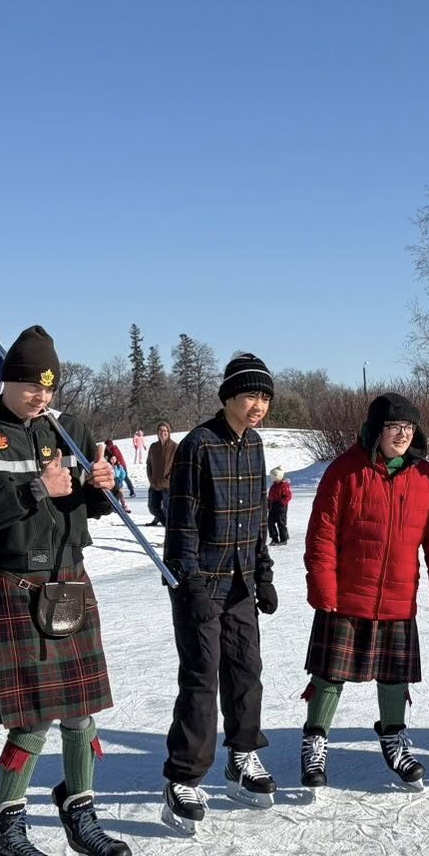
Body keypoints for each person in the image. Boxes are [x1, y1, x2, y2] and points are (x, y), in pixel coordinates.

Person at [0, 325, 131, 856]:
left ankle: (81, 814)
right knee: (33, 720)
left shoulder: (67, 431)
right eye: (30, 383)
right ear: (8, 380)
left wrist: (100, 487)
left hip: (68, 580)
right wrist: (32, 490)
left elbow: (85, 505)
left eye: (49, 385)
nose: (41, 395)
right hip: (15, 586)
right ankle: (6, 827)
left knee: (81, 713)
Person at [301, 394, 429, 791]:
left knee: (394, 675)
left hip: (399, 597)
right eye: (393, 427)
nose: (402, 435)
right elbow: (322, 534)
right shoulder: (345, 471)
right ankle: (315, 741)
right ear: (376, 430)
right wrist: (322, 585)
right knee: (330, 674)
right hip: (348, 593)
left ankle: (393, 739)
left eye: (408, 428)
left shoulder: (425, 477)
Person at [162, 355, 278, 829]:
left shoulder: (254, 447)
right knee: (201, 677)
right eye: (251, 395)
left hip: (240, 582)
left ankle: (242, 756)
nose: (259, 405)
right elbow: (182, 523)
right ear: (228, 397)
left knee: (246, 670)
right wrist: (190, 585)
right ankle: (183, 777)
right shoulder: (197, 446)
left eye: (266, 397)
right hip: (198, 583)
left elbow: (257, 520)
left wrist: (264, 572)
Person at [145, 421, 177, 526]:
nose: (163, 432)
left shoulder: (175, 447)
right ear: (157, 433)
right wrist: (151, 478)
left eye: (165, 430)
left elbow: (178, 466)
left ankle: (169, 533)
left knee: (168, 510)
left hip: (168, 485)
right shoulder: (153, 447)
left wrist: (169, 478)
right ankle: (166, 525)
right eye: (160, 430)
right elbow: (148, 464)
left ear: (169, 432)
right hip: (154, 484)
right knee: (153, 508)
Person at [266, 468, 293, 544]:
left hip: (281, 507)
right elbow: (270, 496)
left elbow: (288, 496)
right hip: (273, 506)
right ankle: (274, 539)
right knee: (270, 522)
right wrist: (269, 503)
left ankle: (284, 539)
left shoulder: (284, 485)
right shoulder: (273, 486)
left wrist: (282, 503)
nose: (272, 478)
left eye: (273, 477)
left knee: (281, 523)